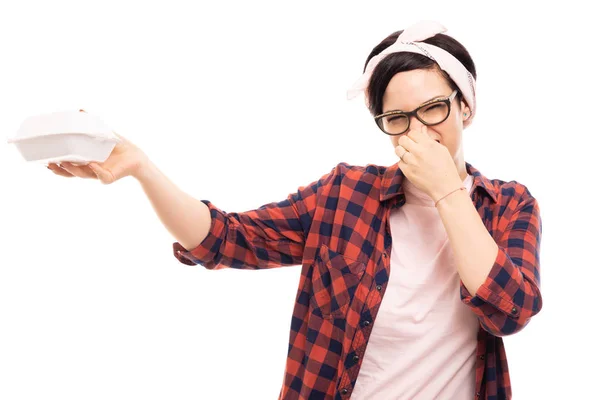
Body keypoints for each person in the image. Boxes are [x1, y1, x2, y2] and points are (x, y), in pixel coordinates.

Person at [47, 20, 542, 400]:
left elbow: (510, 311)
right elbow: (225, 239)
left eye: (433, 109)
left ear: (465, 107)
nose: (418, 131)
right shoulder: (345, 193)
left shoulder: (509, 206)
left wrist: (446, 191)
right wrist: (142, 168)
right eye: (397, 118)